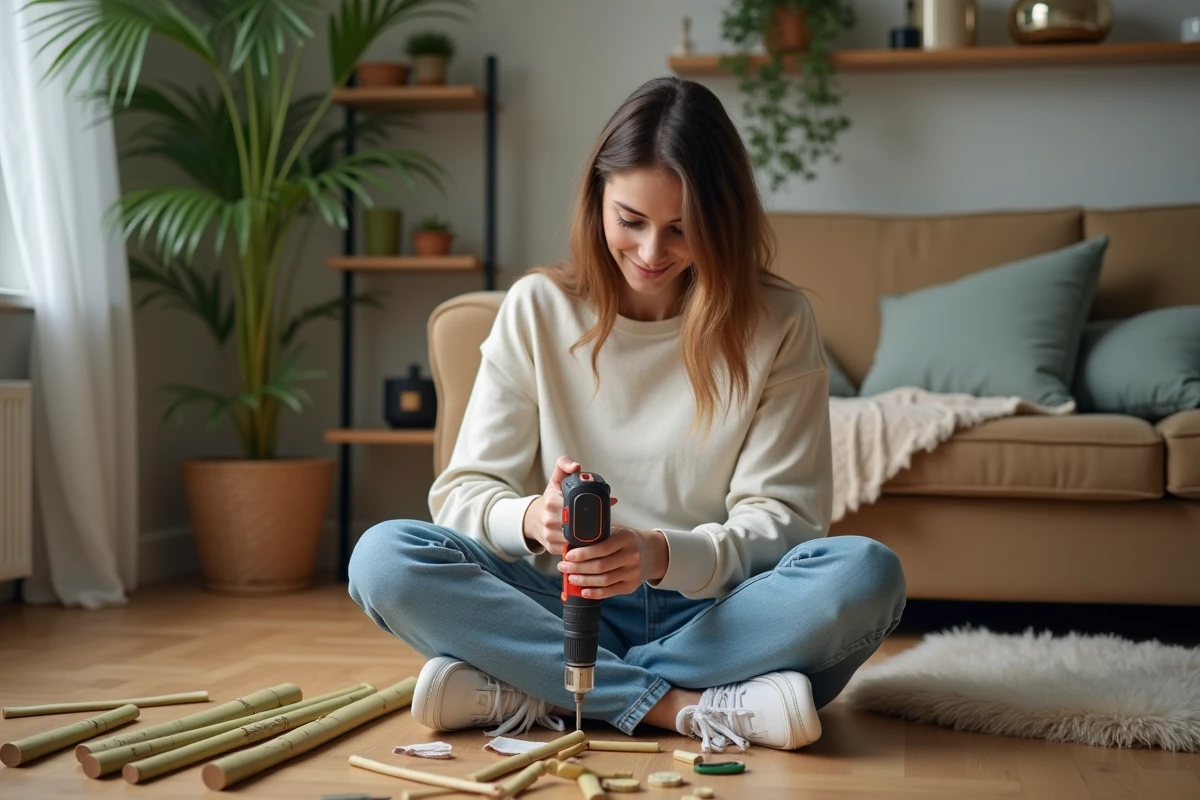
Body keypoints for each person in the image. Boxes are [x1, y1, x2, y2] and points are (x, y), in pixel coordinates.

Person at [349, 76, 906, 753]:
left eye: (682, 229)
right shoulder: (537, 309)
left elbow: (783, 523)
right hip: (558, 606)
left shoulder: (779, 321)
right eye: (631, 221)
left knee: (867, 576)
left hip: (716, 614)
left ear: (723, 221)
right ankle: (686, 706)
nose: (650, 253)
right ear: (597, 201)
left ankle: (541, 688)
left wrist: (658, 554)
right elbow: (462, 494)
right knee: (382, 558)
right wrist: (532, 519)